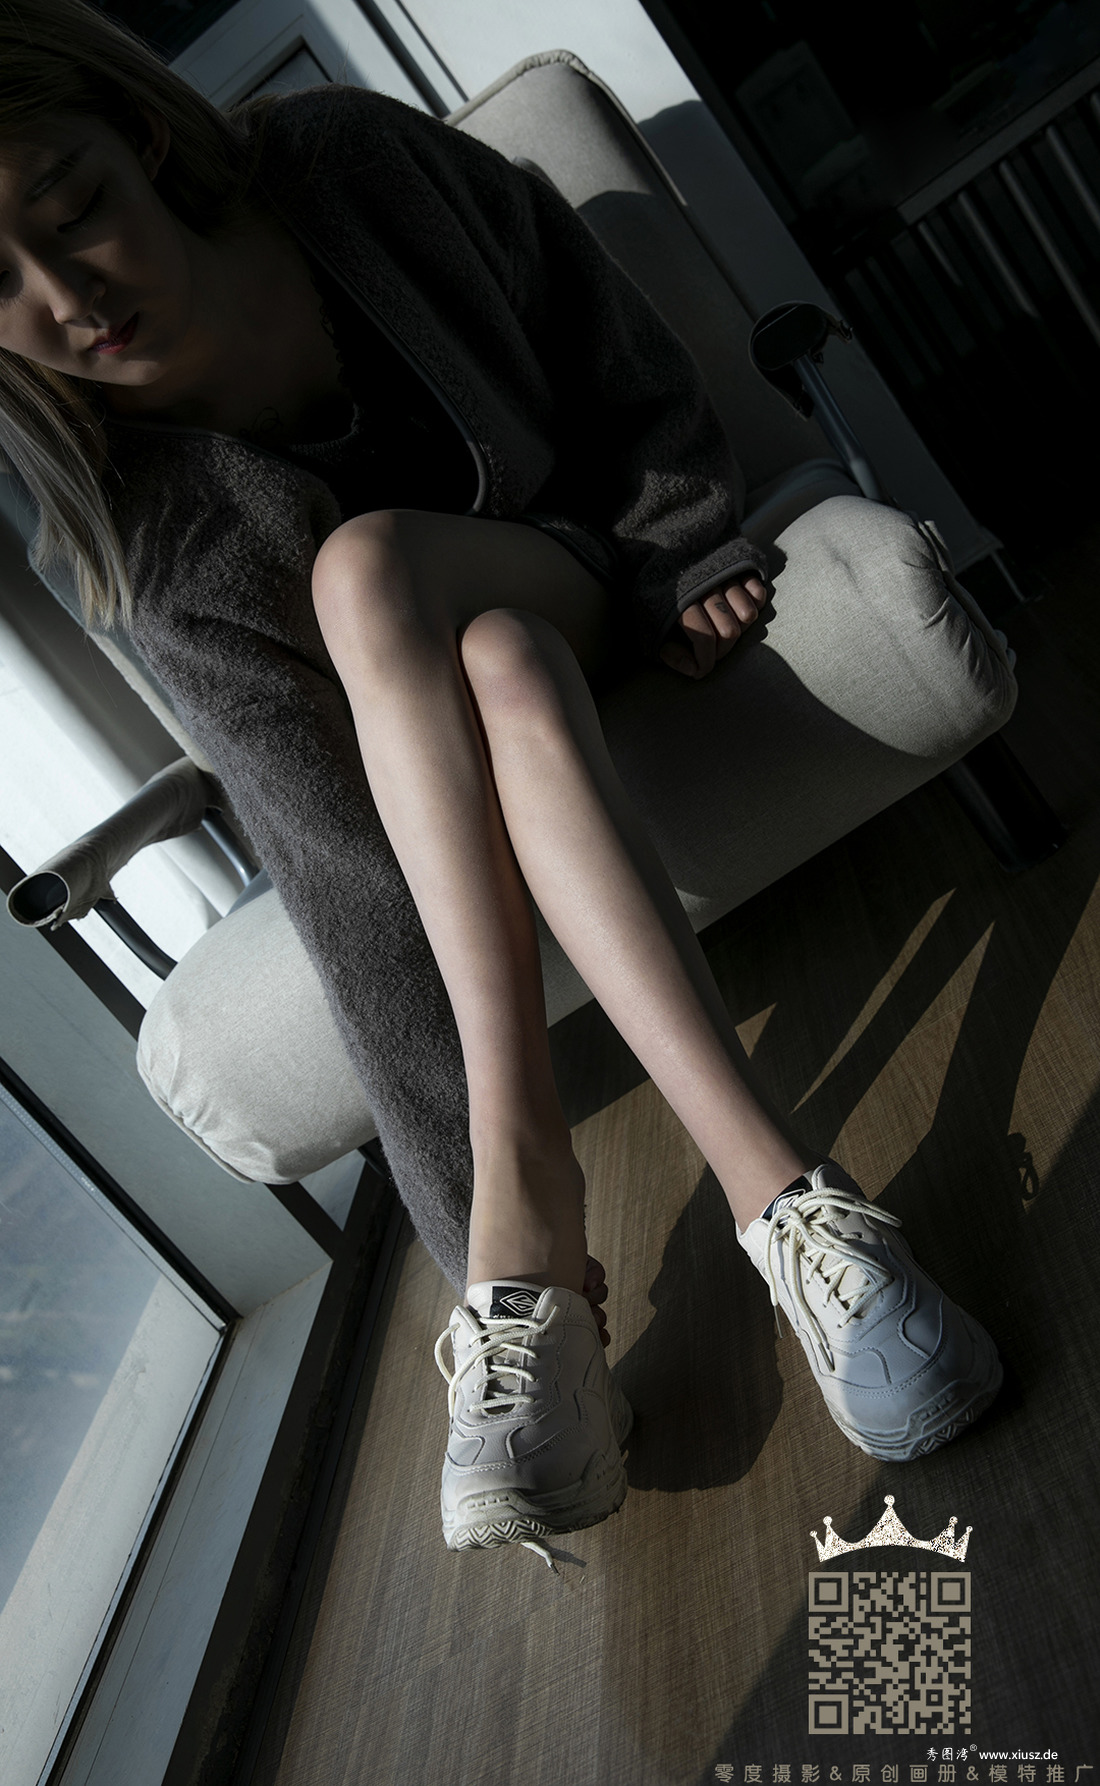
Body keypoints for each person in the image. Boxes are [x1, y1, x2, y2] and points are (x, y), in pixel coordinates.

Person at [0, 0, 1002, 1560]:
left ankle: (532, 1229)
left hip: (595, 568)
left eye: (72, 211)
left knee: (366, 572)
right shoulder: (151, 534)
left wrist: (679, 550)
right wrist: (446, 1190)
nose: (68, 298)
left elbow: (610, 340)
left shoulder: (343, 163)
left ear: (135, 136)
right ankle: (785, 1204)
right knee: (497, 661)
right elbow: (343, 860)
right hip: (470, 725)